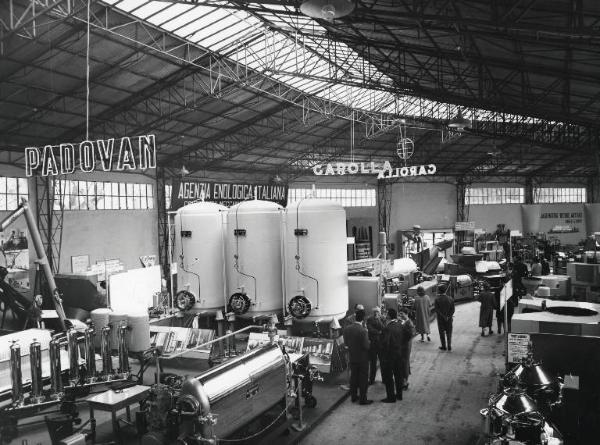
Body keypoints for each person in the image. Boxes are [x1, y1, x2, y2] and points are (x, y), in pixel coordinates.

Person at [342, 309, 372, 405]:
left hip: (352, 357)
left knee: (353, 377)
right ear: (363, 319)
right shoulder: (363, 331)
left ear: (355, 317)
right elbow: (366, 346)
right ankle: (363, 399)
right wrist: (370, 342)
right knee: (363, 379)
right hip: (363, 358)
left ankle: (354, 397)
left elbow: (346, 343)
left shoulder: (347, 329)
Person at [380, 308, 405, 403]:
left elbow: (385, 343)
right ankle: (399, 395)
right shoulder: (400, 325)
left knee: (388, 377)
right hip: (399, 354)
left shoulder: (387, 328)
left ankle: (391, 397)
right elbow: (408, 334)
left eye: (386, 314)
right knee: (398, 375)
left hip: (389, 356)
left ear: (389, 316)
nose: (386, 315)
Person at [366, 306, 385, 385]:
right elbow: (370, 329)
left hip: (381, 344)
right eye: (375, 312)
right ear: (373, 312)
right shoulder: (370, 319)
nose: (376, 313)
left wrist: (378, 320)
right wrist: (379, 332)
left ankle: (384, 379)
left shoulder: (382, 319)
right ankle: (372, 380)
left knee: (383, 363)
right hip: (373, 344)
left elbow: (384, 328)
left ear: (380, 312)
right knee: (373, 363)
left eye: (377, 311)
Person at [434, 284, 455, 351]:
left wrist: (443, 316)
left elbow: (437, 310)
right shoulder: (450, 298)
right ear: (445, 290)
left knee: (442, 333)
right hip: (449, 319)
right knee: (449, 332)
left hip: (440, 319)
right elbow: (453, 310)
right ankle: (449, 345)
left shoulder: (437, 299)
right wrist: (448, 316)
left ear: (439, 291)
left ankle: (444, 346)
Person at [398, 308, 414, 389]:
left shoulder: (409, 323)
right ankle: (404, 379)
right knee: (404, 362)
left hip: (406, 346)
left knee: (405, 362)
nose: (400, 315)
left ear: (406, 314)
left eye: (402, 314)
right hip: (404, 345)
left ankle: (405, 381)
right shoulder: (405, 322)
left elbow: (410, 334)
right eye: (400, 314)